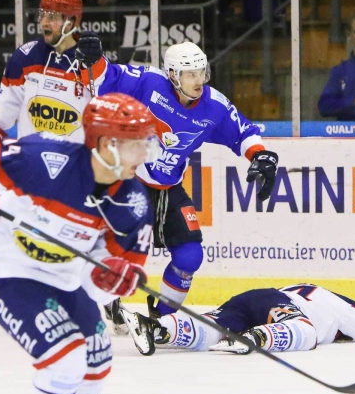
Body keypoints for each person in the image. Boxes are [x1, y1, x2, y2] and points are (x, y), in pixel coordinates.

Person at [0, 93, 158, 394]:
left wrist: (112, 279)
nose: (146, 154)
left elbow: (105, 276)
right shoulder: (44, 158)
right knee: (66, 360)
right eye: (138, 144)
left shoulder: (132, 204)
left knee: (96, 359)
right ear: (107, 144)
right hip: (5, 269)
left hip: (64, 278)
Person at [75, 36, 279, 329]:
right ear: (173, 74)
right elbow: (109, 76)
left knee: (190, 255)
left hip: (170, 189)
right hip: (132, 182)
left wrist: (260, 156)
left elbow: (244, 130)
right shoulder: (149, 82)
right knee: (122, 251)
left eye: (202, 72)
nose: (199, 80)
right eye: (190, 74)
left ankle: (161, 322)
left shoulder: (214, 106)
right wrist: (94, 60)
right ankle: (108, 297)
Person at [120, 283, 355, 356]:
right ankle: (256, 337)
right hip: (274, 305)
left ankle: (155, 328)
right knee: (307, 333)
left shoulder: (315, 293)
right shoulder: (345, 307)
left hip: (252, 300)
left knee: (214, 328)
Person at [0, 0, 94, 143]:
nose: (44, 22)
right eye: (42, 15)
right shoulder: (25, 57)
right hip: (32, 162)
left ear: (70, 22)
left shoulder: (92, 64)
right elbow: (4, 111)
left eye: (52, 17)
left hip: (73, 163)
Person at [318, 12, 355, 121]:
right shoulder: (340, 70)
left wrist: (343, 106)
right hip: (345, 135)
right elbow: (324, 106)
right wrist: (353, 101)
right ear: (349, 35)